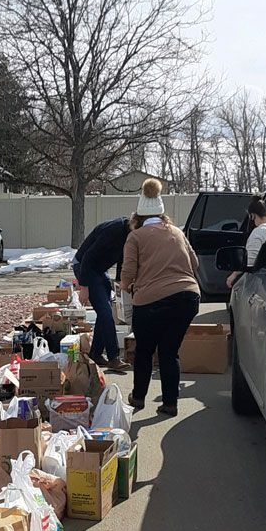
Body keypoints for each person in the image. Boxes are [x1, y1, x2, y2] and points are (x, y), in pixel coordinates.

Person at [120, 178, 201, 416]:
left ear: (138, 216)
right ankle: (170, 403)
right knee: (169, 350)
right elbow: (194, 263)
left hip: (151, 302)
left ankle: (138, 398)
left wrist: (125, 287)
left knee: (145, 350)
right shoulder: (177, 232)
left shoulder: (136, 237)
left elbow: (128, 273)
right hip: (187, 298)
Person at [72, 216, 133, 370]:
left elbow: (122, 261)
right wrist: (84, 287)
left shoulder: (130, 236)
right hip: (84, 266)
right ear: (135, 224)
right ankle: (113, 357)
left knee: (105, 310)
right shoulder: (114, 230)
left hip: (99, 270)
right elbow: (87, 257)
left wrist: (121, 285)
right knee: (105, 312)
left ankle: (96, 353)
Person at [226, 196, 266, 288]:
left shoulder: (257, 234)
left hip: (261, 282)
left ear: (252, 216)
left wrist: (234, 274)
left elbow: (250, 263)